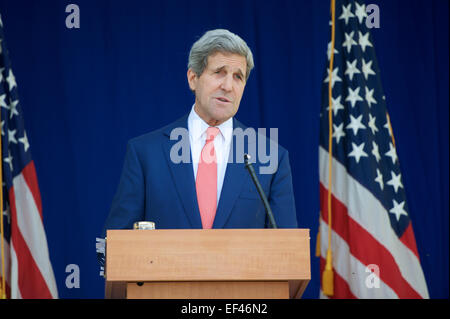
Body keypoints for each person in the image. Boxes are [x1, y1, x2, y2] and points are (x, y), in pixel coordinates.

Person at [103, 29, 297, 233]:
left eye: (238, 77)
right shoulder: (145, 153)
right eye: (219, 73)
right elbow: (117, 243)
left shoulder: (271, 158)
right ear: (193, 78)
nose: (228, 86)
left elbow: (286, 250)